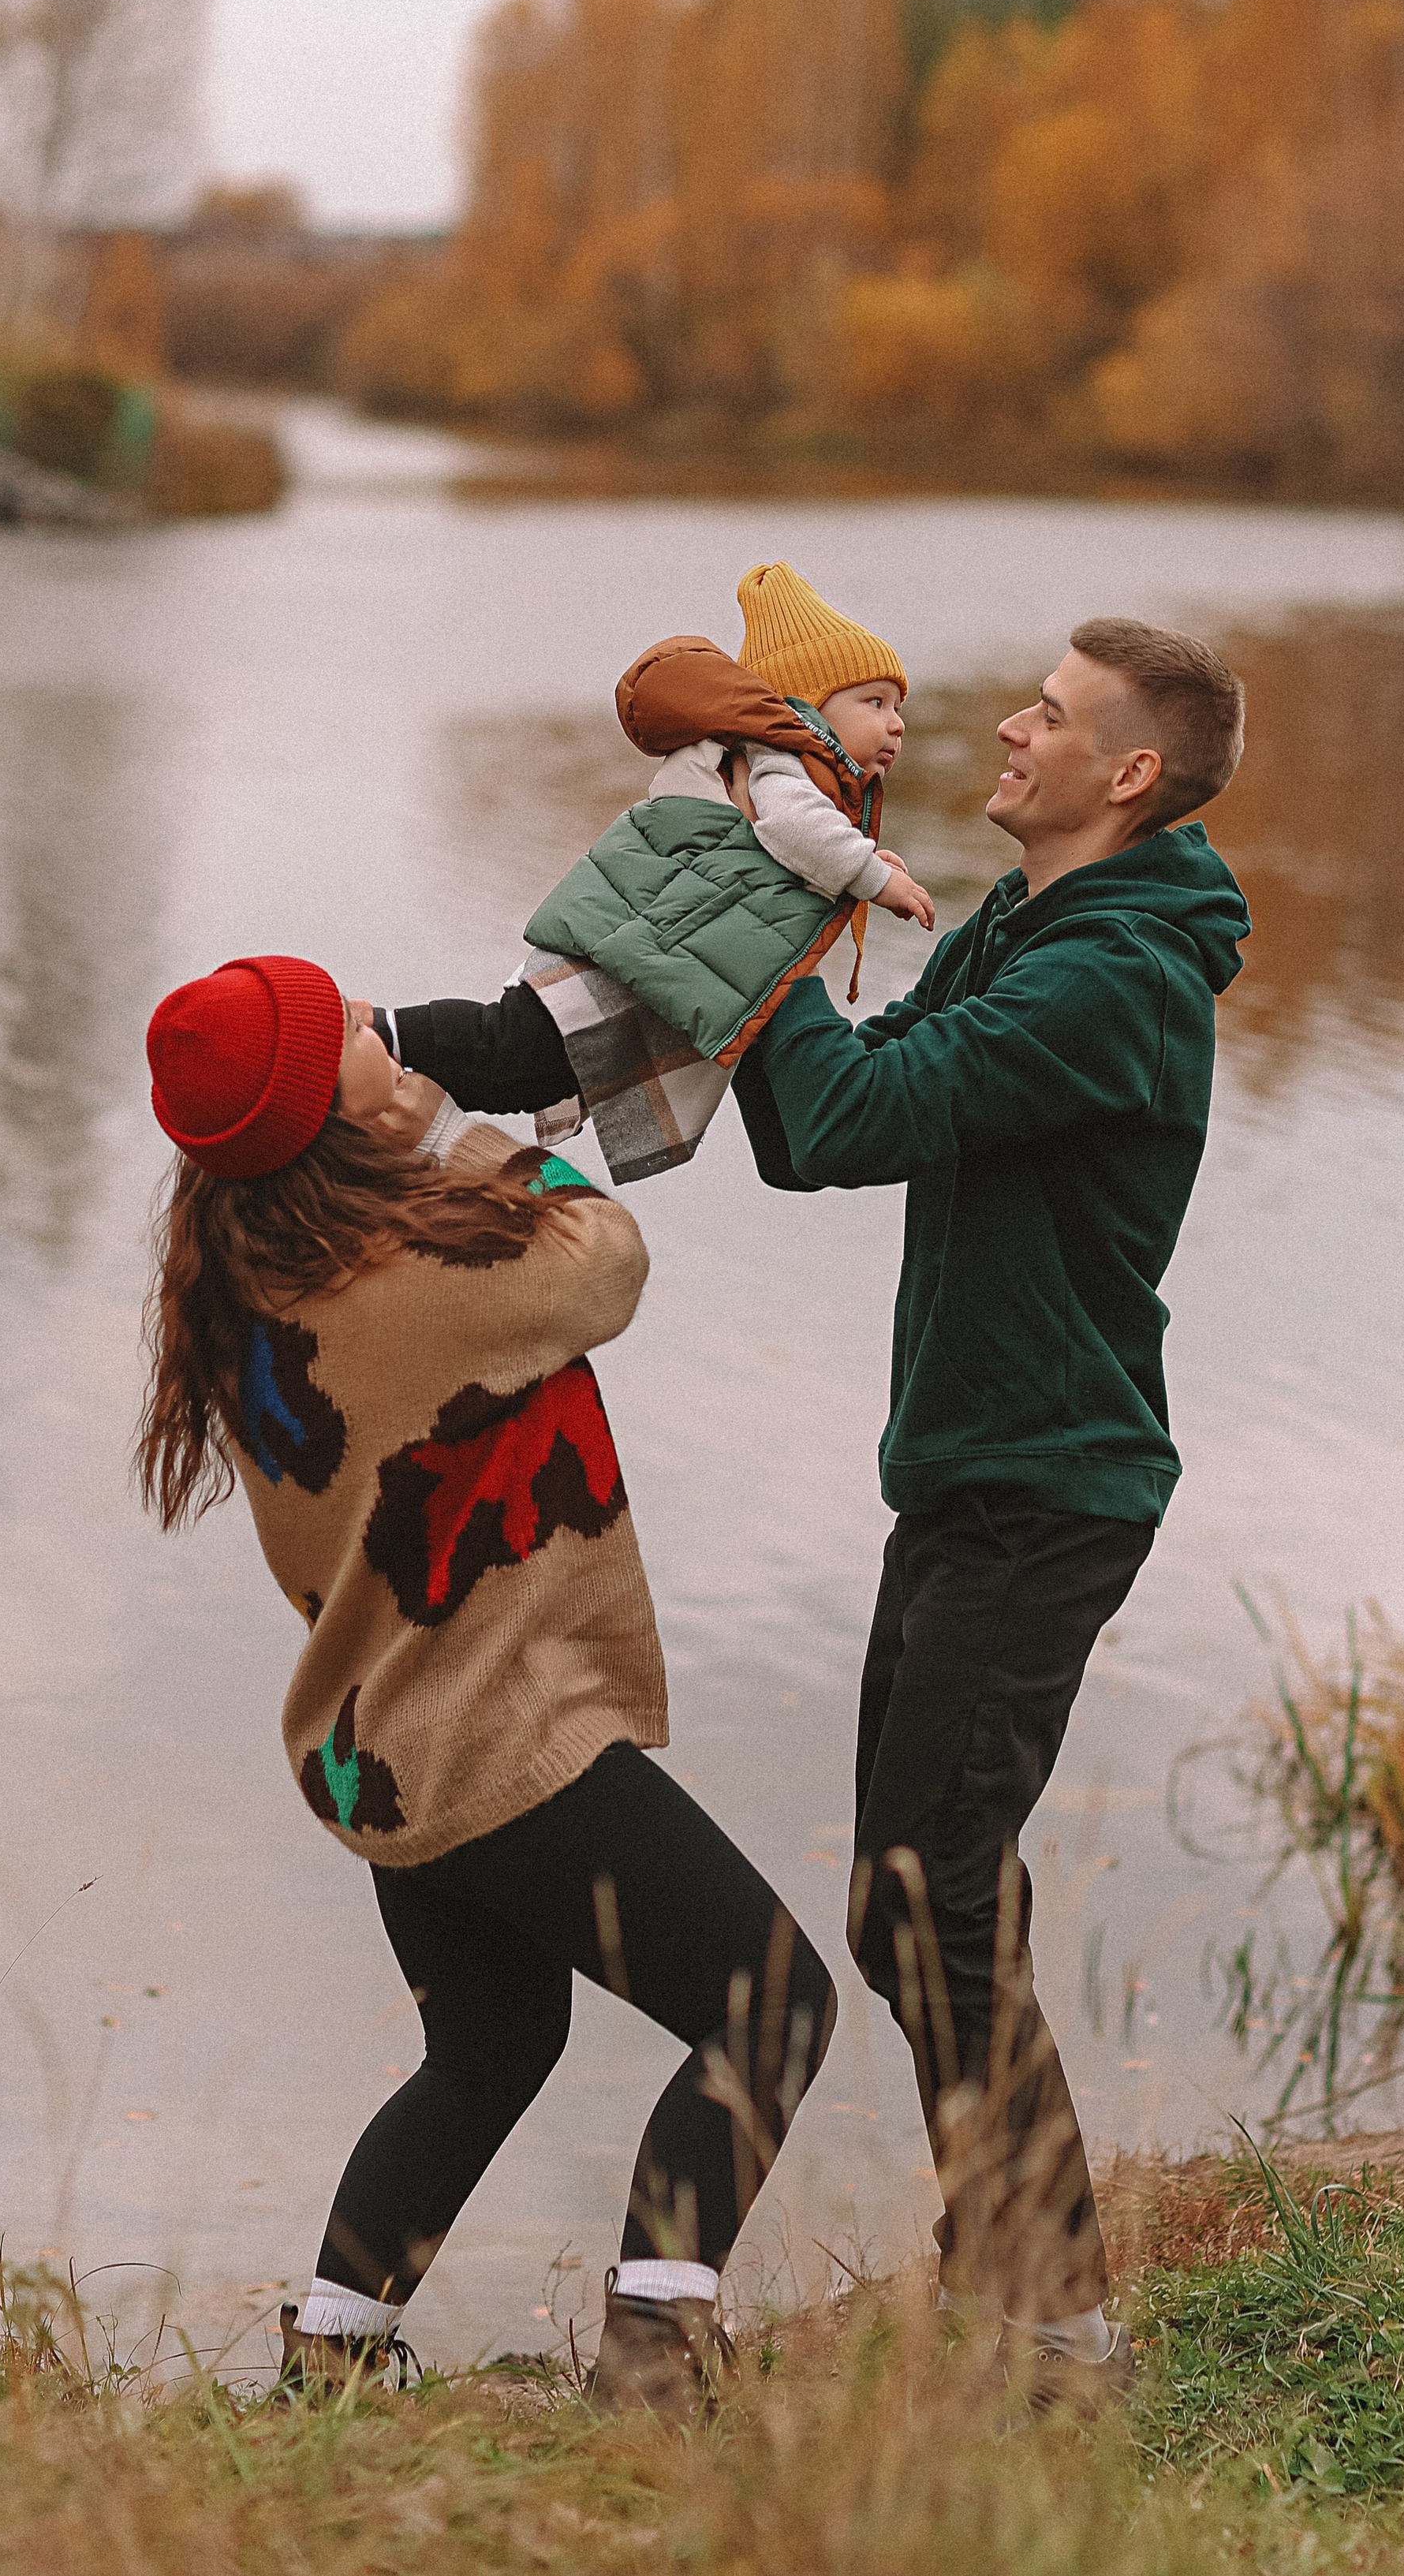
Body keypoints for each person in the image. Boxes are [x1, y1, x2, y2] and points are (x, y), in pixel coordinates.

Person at [135, 951, 835, 2414]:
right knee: (771, 2003)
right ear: (333, 1122)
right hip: (506, 1746)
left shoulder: (253, 1274)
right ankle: (654, 2344)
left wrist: (388, 1110)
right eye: (357, 1043)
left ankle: (328, 2353)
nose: (385, 1037)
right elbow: (603, 1254)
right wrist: (450, 1120)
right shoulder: (417, 1277)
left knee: (490, 2048)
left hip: (381, 1747)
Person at [730, 616, 1250, 2404]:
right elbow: (808, 1135)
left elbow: (854, 1101)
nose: (1007, 725)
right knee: (910, 1896)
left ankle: (1050, 2320)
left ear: (1126, 773)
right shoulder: (1031, 928)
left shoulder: (1114, 979)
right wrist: (764, 905)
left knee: (932, 1890)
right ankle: (1014, 2268)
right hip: (967, 1469)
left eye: (1049, 713)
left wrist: (752, 929)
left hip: (1046, 1485)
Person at [369, 562, 936, 1183]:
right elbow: (791, 829)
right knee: (512, 1048)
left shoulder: (796, 766)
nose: (896, 722)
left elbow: (789, 848)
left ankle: (380, 1070)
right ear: (812, 704)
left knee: (526, 1065)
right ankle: (372, 1032)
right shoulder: (787, 751)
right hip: (637, 954)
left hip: (651, 958)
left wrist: (860, 861)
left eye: (898, 706)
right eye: (874, 702)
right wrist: (878, 882)